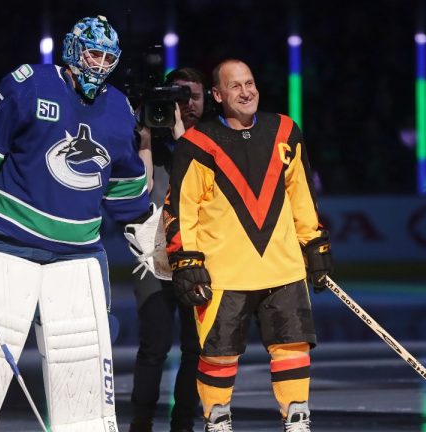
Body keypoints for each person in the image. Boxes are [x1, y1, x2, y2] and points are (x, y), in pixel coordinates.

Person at [0, 16, 153, 431]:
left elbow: (125, 185)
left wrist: (148, 232)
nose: (100, 65)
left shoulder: (118, 110)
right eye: (94, 54)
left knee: (84, 359)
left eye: (109, 58)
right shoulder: (28, 84)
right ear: (74, 50)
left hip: (78, 253)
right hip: (8, 242)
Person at [163, 59, 333, 432]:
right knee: (218, 354)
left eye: (250, 83)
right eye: (235, 86)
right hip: (224, 273)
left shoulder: (285, 130)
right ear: (218, 95)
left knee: (292, 346)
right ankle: (218, 419)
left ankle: (297, 418)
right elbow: (181, 207)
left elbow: (301, 194)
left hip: (283, 267)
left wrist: (314, 243)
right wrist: (185, 260)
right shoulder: (197, 143)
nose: (246, 91)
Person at [129, 67, 207, 432]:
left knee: (197, 349)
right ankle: (141, 422)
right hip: (154, 259)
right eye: (178, 96)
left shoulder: (214, 140)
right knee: (154, 346)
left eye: (194, 96)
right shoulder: (146, 144)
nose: (187, 104)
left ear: (206, 99)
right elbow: (140, 192)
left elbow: (200, 183)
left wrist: (180, 133)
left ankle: (183, 424)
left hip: (200, 258)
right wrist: (145, 138)